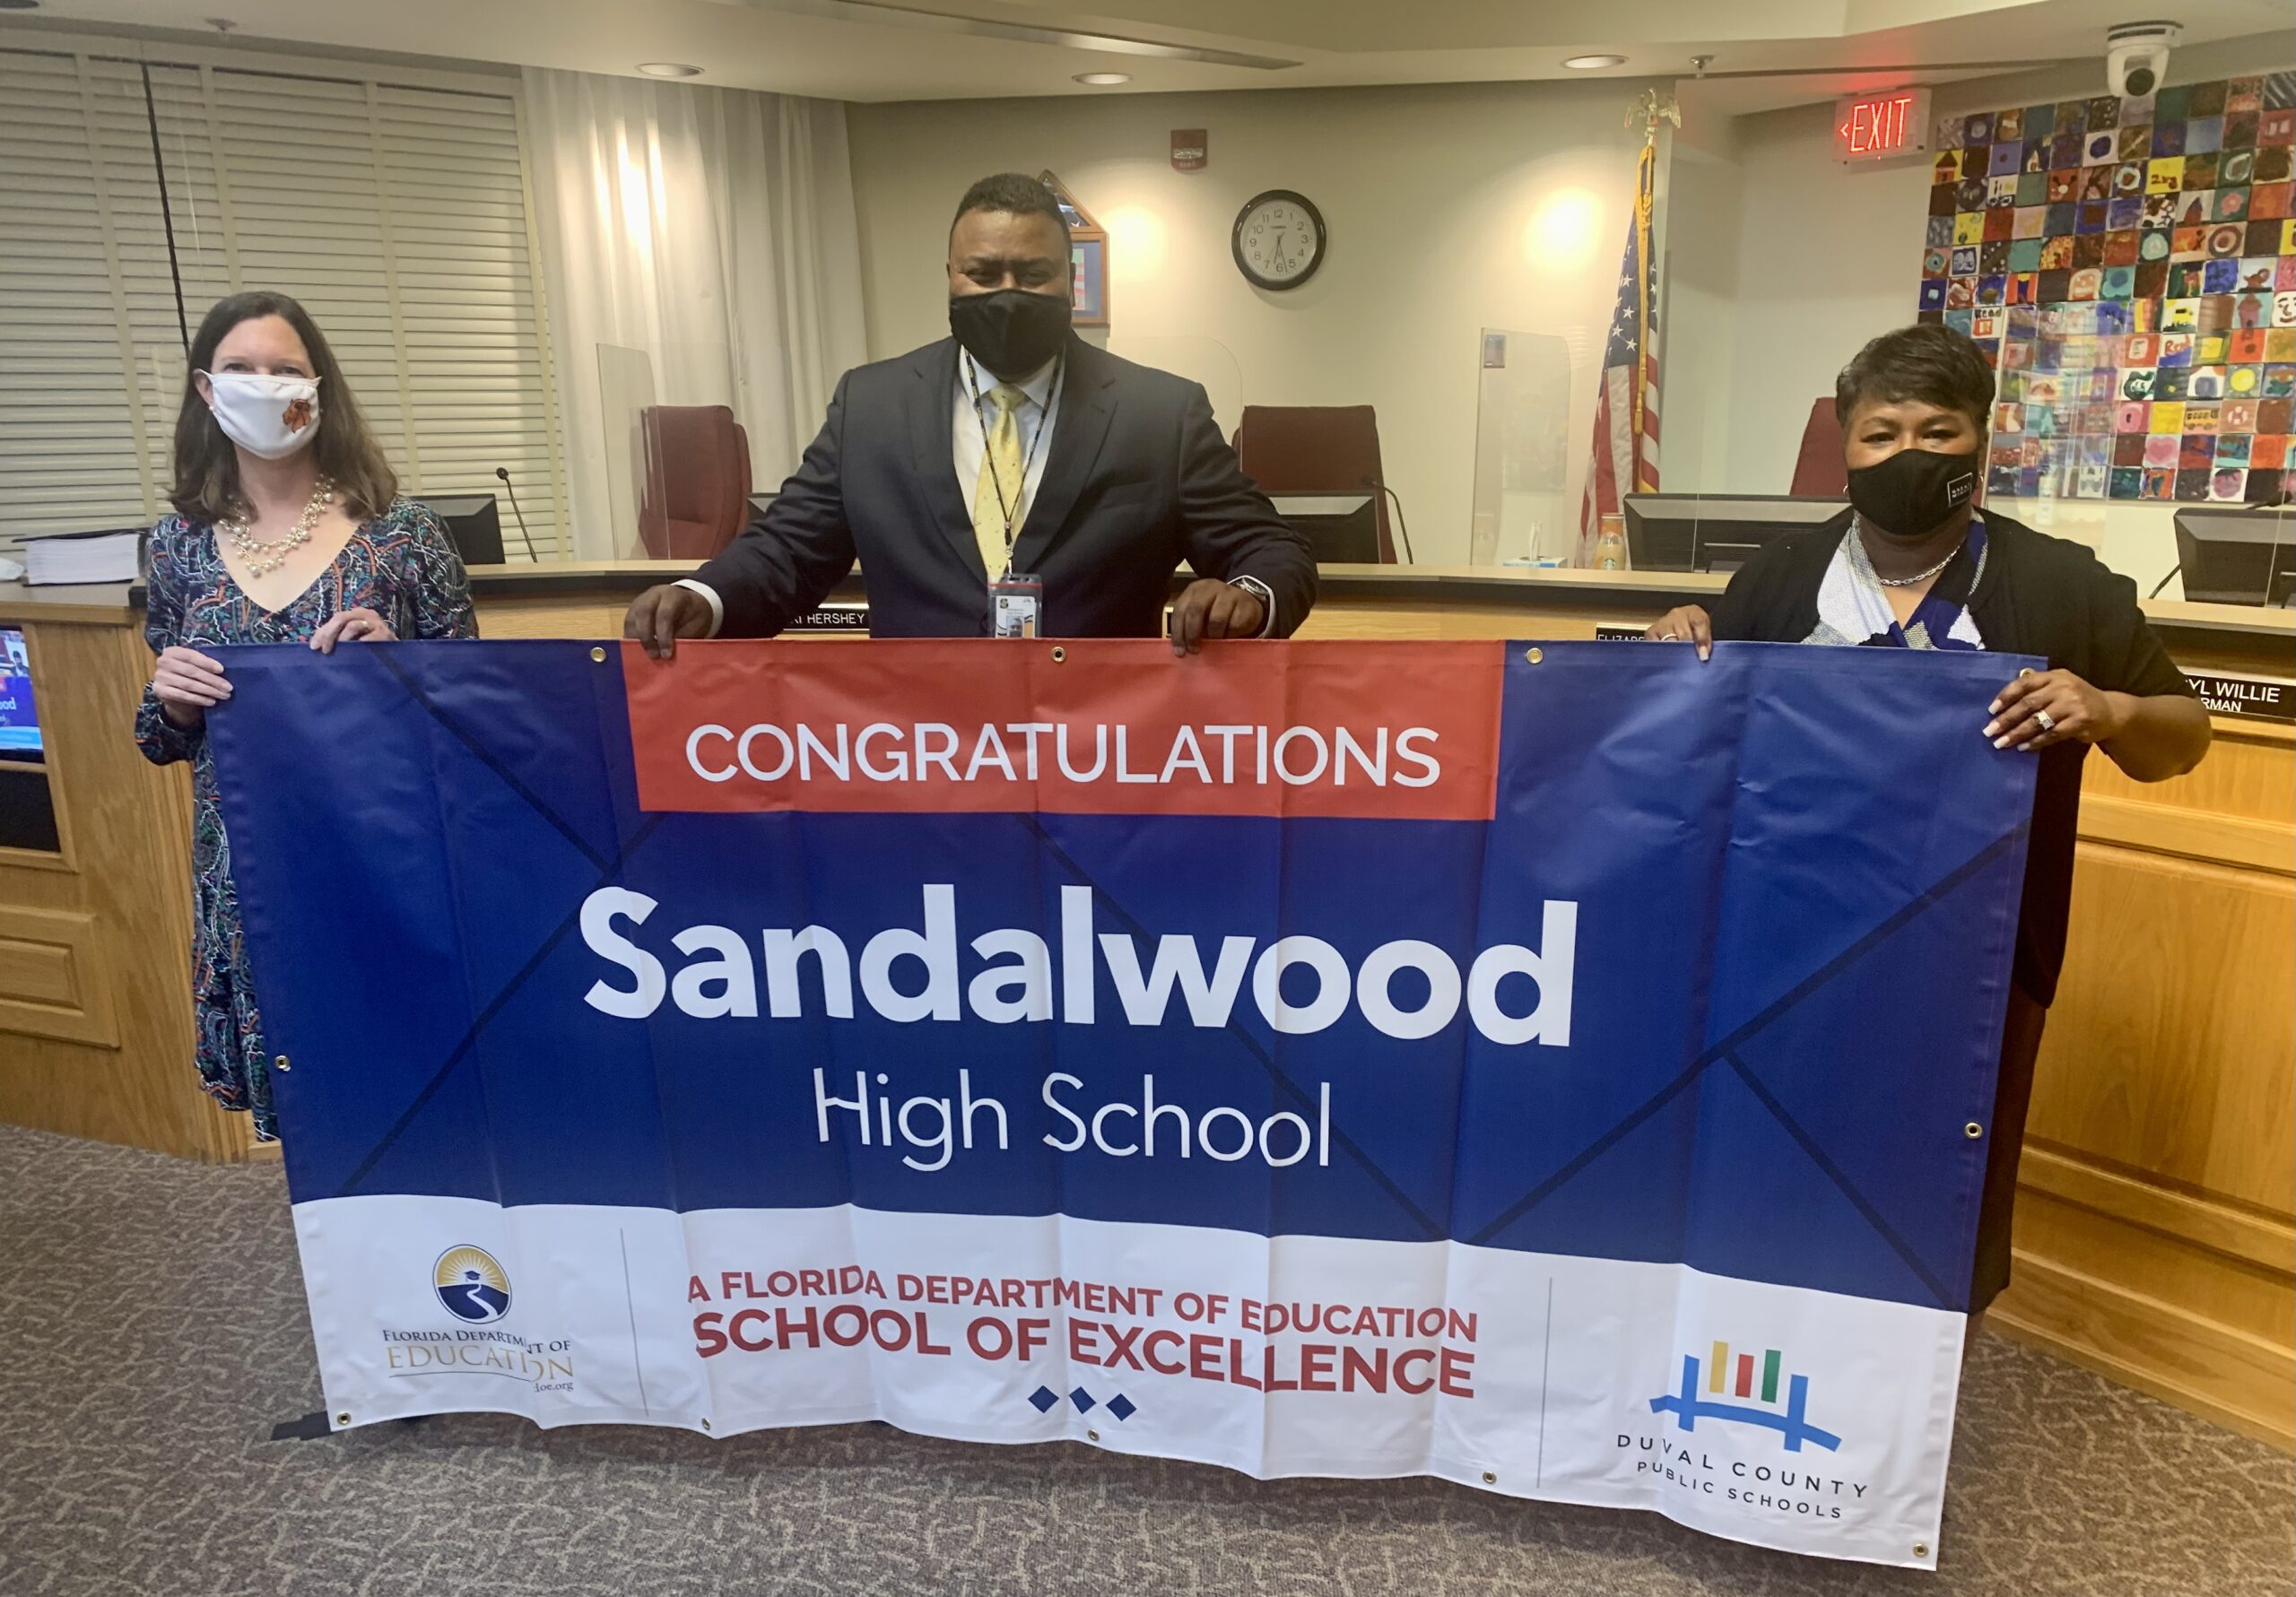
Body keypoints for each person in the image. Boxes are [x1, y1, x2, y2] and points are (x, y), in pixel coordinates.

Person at [1644, 323, 2211, 1323]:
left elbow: (2180, 738)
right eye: (1879, 433)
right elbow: (1692, 750)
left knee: (1942, 1197)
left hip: (1978, 960)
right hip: (1784, 945)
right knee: (1769, 1165)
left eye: (1935, 431)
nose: (1906, 454)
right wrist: (1670, 655)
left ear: (1980, 445)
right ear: (1845, 449)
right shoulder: (1777, 579)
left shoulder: (2060, 583)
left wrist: (2110, 709)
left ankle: (1906, 1433)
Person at [624, 172, 1316, 655]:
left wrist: (1248, 595)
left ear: (1068, 281)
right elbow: (788, 550)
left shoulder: (1160, 412)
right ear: (951, 276)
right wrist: (703, 597)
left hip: (1104, 748)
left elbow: (1272, 549)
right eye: (983, 275)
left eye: (1033, 273)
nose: (1007, 293)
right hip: (922, 754)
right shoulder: (871, 405)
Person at [136, 291, 478, 1141]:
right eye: (242, 370)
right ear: (208, 393)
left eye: (285, 369)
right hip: (253, 875)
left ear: (318, 387)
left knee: (415, 1087)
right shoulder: (177, 545)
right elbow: (158, 736)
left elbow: (479, 712)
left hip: (385, 863)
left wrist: (400, 666)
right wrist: (168, 700)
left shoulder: (403, 534)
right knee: (311, 1119)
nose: (265, 385)